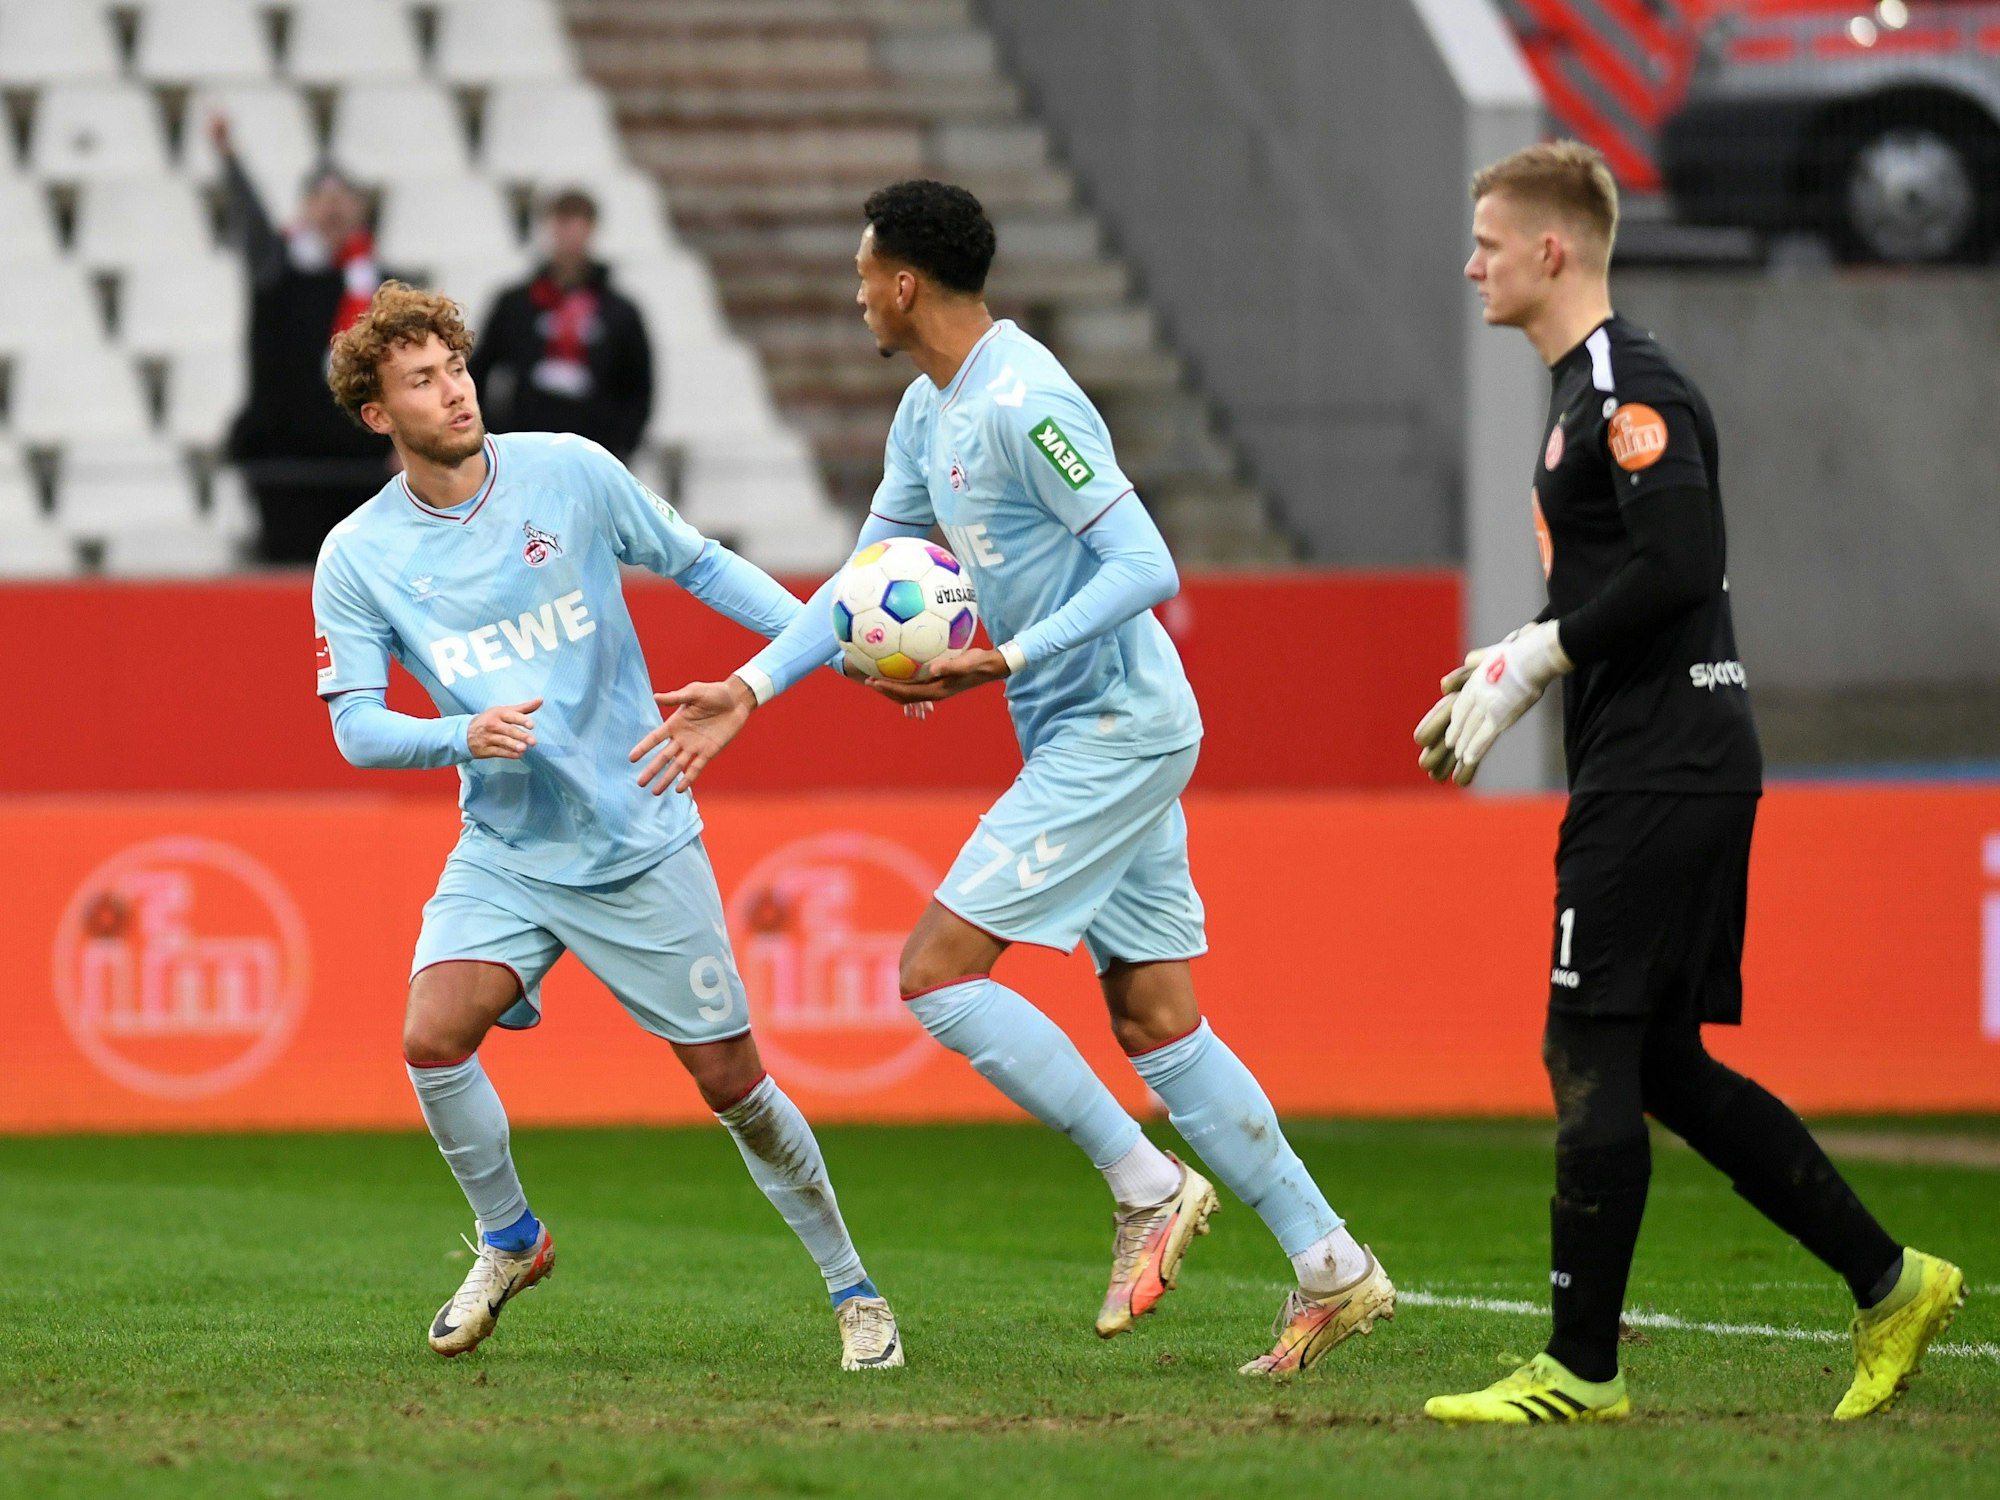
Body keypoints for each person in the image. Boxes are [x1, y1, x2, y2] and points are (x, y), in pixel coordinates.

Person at [631, 180, 1395, 1375]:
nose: (851, 294)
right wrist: (750, 687)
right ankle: (1330, 1266)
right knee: (1152, 1014)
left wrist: (1008, 658)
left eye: (860, 273)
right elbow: (858, 580)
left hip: (1117, 724)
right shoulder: (927, 411)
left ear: (903, 282)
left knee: (934, 973)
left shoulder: (1025, 398)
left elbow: (1142, 564)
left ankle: (1145, 1184)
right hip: (1079, 730)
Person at [1415, 141, 1963, 1424]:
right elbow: (1627, 578)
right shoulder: (1577, 391)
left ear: (1552, 247)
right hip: (1667, 755)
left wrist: (1539, 657)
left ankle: (1579, 1371)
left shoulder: (1623, 381)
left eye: (1487, 241)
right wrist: (1517, 652)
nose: (1470, 264)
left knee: (1586, 1042)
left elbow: (1682, 560)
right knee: (1656, 1056)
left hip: (1666, 764)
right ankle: (1889, 1281)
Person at [311, 282, 902, 1372]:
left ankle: (854, 1290)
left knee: (732, 1084)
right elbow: (353, 727)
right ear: (377, 415)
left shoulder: (569, 471)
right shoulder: (357, 556)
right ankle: (511, 1240)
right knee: (432, 1037)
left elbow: (697, 563)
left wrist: (839, 643)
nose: (452, 392)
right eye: (421, 381)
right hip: (504, 847)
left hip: (636, 830)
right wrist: (459, 735)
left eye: (454, 367)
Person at [210, 114, 401, 564]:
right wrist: (230, 159)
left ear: (360, 209)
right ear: (305, 208)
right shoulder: (278, 268)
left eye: (342, 198)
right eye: (321, 197)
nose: (332, 208)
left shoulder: (385, 283)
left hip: (359, 461)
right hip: (285, 459)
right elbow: (251, 222)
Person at [468, 189, 654, 460]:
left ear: (592, 230)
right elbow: (481, 369)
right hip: (524, 446)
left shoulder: (619, 312)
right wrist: (492, 435)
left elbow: (638, 387)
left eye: (579, 227)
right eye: (564, 225)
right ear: (549, 227)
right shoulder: (516, 304)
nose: (571, 238)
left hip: (593, 450)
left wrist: (620, 446)